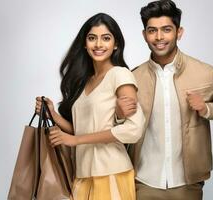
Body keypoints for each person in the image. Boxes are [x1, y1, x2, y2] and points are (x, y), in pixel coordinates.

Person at [116, 1, 213, 199]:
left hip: (187, 183)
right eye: (152, 30)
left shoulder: (205, 73)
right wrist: (119, 115)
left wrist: (206, 108)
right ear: (144, 35)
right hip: (143, 181)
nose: (159, 37)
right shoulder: (132, 78)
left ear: (179, 32)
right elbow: (118, 126)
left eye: (166, 30)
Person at [35, 13, 145, 200]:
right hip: (83, 174)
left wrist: (74, 140)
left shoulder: (120, 75)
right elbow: (82, 130)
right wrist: (53, 114)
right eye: (92, 38)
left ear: (116, 44)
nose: (99, 44)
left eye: (106, 38)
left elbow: (134, 130)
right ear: (85, 44)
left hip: (111, 173)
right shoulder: (84, 81)